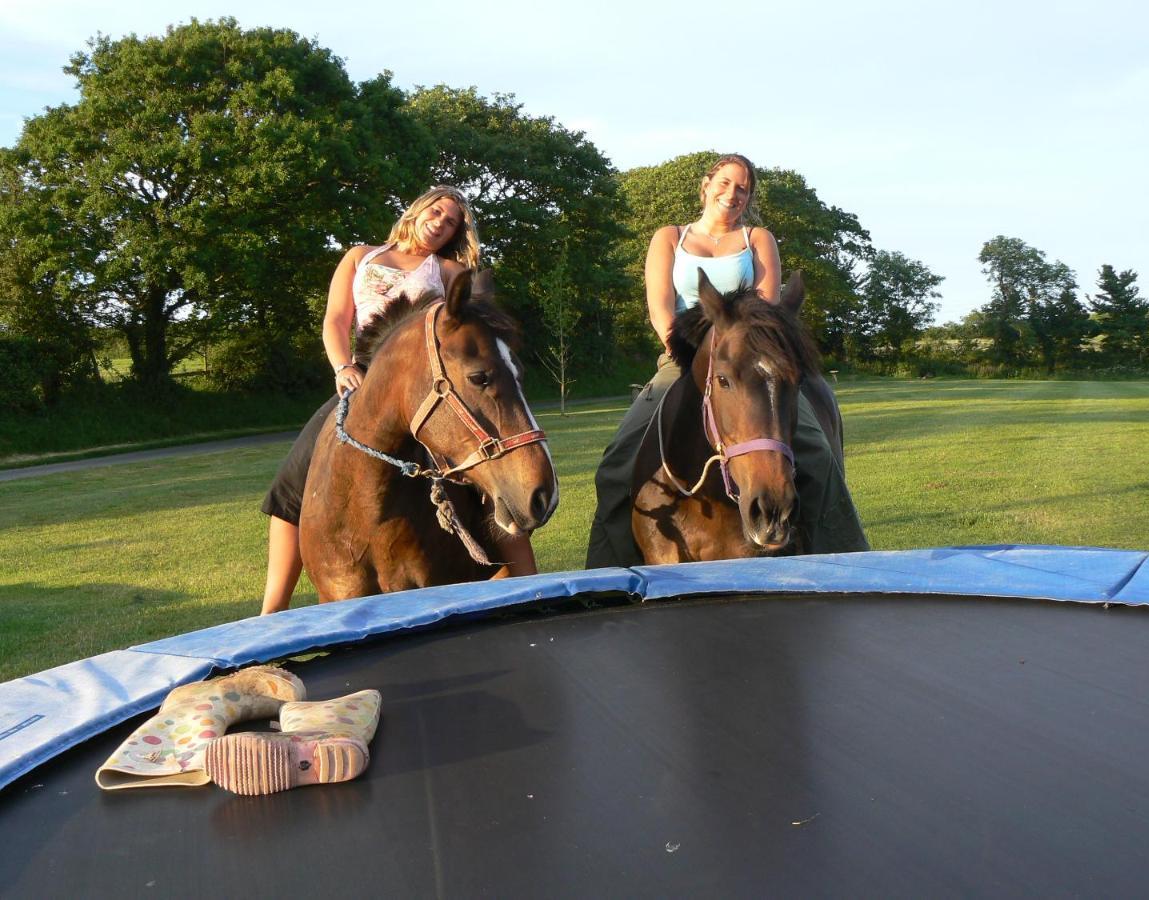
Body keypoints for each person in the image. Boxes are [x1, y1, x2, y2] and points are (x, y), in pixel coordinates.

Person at [260, 186, 537, 614]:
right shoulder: (359, 256)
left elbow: (469, 329)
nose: (441, 223)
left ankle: (530, 587)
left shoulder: (448, 270)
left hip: (423, 389)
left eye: (451, 223)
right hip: (361, 382)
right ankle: (272, 611)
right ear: (418, 208)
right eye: (437, 211)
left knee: (484, 476)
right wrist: (342, 368)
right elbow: (336, 319)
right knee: (291, 486)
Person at [585, 154, 869, 568]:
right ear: (706, 186)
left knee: (818, 455)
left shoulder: (758, 238)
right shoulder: (669, 237)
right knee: (617, 462)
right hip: (682, 361)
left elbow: (767, 310)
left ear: (749, 196)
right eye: (724, 183)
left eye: (742, 187)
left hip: (751, 363)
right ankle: (607, 576)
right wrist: (688, 351)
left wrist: (739, 350)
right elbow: (661, 308)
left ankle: (843, 562)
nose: (732, 193)